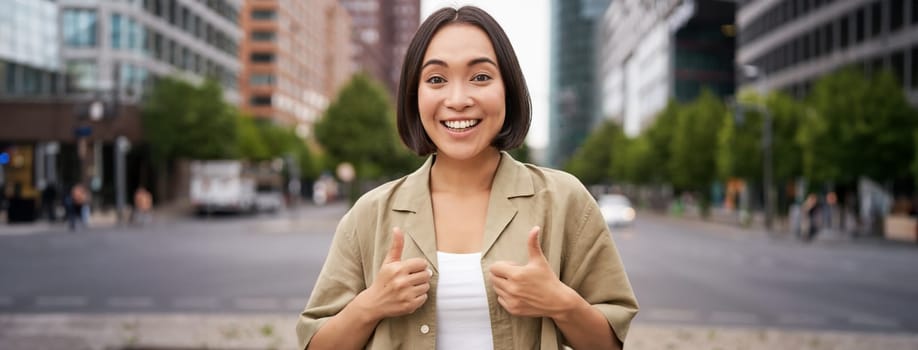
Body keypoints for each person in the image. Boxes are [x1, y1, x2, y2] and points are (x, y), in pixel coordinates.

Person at [296, 6, 638, 350]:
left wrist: (561, 303)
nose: (458, 100)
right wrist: (370, 305)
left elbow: (609, 343)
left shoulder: (564, 200)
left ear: (508, 88)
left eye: (480, 77)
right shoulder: (369, 213)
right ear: (414, 96)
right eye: (436, 80)